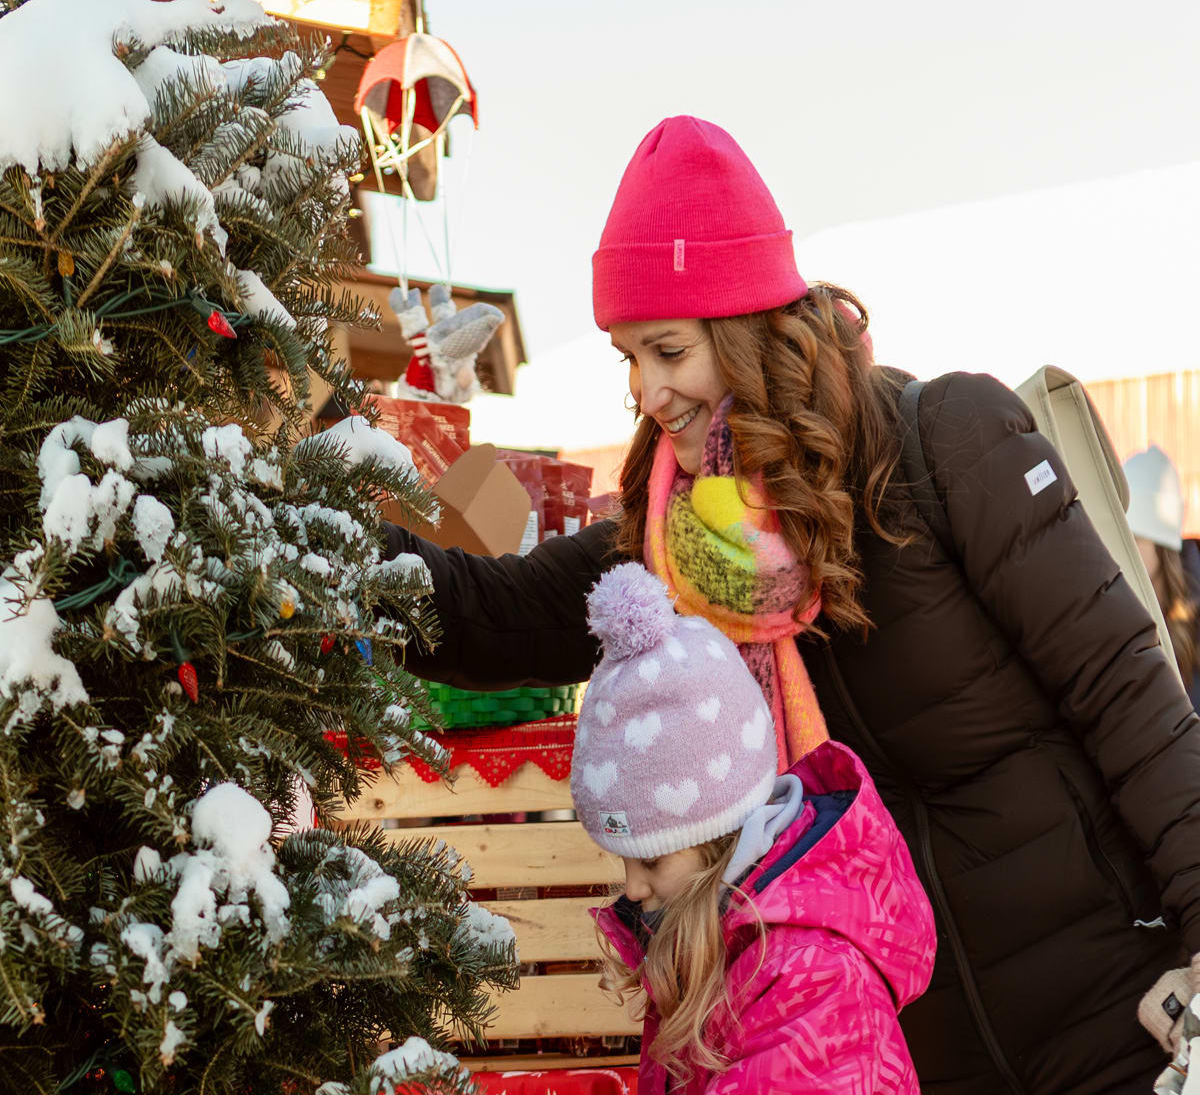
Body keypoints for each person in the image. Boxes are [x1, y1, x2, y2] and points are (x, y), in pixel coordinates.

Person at [383, 116, 1200, 1093]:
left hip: (1112, 1013)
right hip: (900, 1052)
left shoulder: (946, 444)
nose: (648, 391)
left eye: (668, 350)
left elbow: (1130, 701)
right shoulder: (671, 536)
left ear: (744, 326)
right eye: (628, 357)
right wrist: (314, 545)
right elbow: (492, 615)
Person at [573, 561, 935, 1093]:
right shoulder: (707, 938)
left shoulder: (812, 981)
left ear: (721, 839)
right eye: (624, 860)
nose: (632, 888)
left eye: (651, 860)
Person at [1124, 445, 1200, 709]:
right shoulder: (1115, 607)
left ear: (1161, 547)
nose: (1118, 550)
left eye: (1133, 539)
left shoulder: (1193, 625)